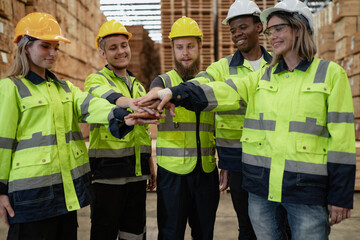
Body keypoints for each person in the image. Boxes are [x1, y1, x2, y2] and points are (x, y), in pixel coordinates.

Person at [136, 0, 356, 239]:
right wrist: (174, 93)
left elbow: (342, 142)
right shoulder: (261, 76)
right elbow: (218, 88)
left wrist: (340, 194)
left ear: (299, 28)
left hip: (306, 191)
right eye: (271, 31)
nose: (272, 36)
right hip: (261, 187)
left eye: (278, 29)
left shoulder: (330, 75)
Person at [0, 12, 159, 240]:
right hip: (31, 197)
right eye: (45, 46)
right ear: (26, 47)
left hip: (66, 193)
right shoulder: (11, 88)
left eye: (56, 47)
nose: (53, 53)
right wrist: (0, 191)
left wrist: (121, 116)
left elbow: (92, 106)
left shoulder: (64, 88)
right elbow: (2, 143)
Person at [191, 1, 271, 239]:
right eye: (233, 30)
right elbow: (202, 81)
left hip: (272, 157)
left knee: (275, 225)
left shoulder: (278, 64)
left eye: (243, 27)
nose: (237, 34)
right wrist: (174, 92)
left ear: (259, 27)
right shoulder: (222, 67)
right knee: (246, 225)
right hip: (237, 161)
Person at [84, 20, 157, 240]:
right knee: (104, 233)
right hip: (107, 176)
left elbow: (142, 132)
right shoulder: (95, 80)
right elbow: (109, 98)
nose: (120, 51)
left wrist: (150, 163)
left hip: (136, 175)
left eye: (124, 45)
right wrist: (130, 102)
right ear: (102, 53)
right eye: (113, 47)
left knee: (134, 235)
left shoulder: (137, 85)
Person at [148, 16, 219, 240]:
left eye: (190, 46)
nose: (185, 52)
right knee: (170, 234)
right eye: (179, 47)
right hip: (173, 174)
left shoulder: (209, 82)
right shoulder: (162, 81)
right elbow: (155, 93)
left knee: (204, 234)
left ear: (200, 47)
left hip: (206, 172)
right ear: (172, 50)